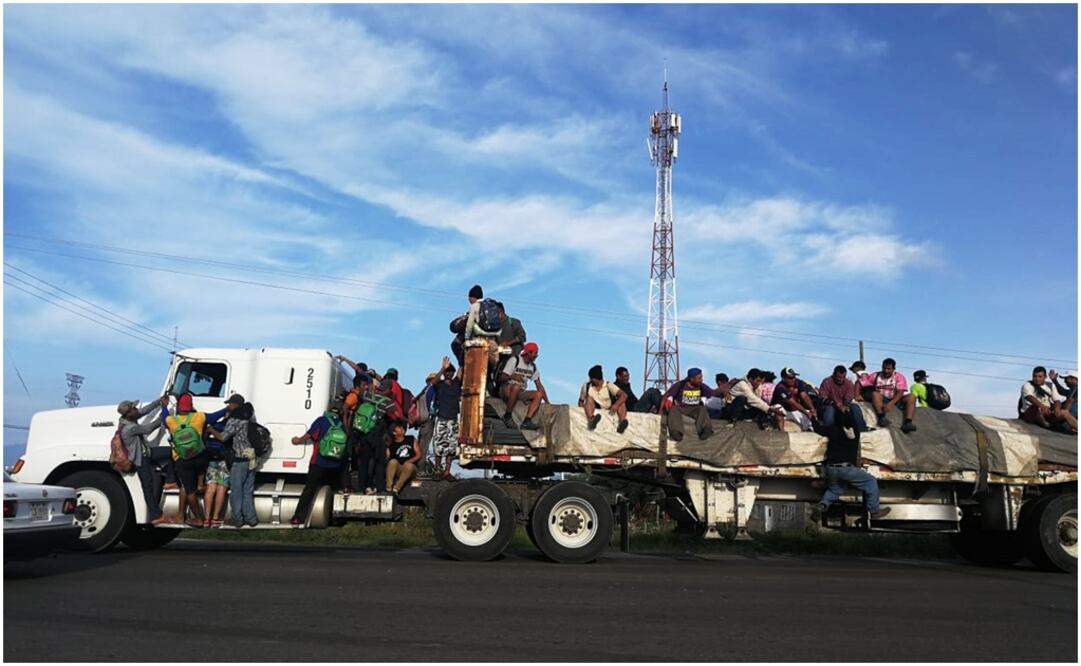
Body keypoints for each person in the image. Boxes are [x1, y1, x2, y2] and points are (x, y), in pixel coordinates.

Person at [290, 396, 349, 526]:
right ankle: (335, 516)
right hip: (336, 465)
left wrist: (297, 440)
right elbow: (347, 437)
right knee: (333, 490)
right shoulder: (341, 424)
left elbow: (310, 435)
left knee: (309, 490)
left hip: (319, 462)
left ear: (328, 409)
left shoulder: (321, 421)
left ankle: (298, 517)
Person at [814, 423, 891, 521]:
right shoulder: (855, 434)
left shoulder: (833, 429)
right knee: (870, 481)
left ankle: (821, 506)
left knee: (834, 490)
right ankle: (874, 511)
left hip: (830, 468)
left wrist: (812, 418)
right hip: (845, 468)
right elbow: (856, 455)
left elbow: (818, 428)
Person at [118, 396, 172, 526]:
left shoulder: (128, 419)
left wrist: (159, 401)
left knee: (172, 453)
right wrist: (164, 415)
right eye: (134, 408)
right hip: (140, 459)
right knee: (147, 486)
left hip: (146, 453)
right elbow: (149, 428)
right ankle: (156, 515)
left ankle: (170, 481)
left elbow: (144, 411)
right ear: (129, 413)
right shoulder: (129, 428)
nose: (137, 409)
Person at [164, 393, 211, 527]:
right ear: (191, 405)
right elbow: (215, 416)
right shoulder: (200, 417)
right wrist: (228, 409)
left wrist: (164, 407)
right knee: (203, 459)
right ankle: (201, 483)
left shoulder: (171, 420)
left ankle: (197, 518)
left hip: (183, 460)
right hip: (199, 458)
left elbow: (163, 417)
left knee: (189, 490)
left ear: (179, 406)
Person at [210, 401, 259, 528]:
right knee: (248, 491)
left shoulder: (235, 422)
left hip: (239, 460)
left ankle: (237, 519)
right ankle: (251, 519)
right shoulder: (250, 422)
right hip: (252, 459)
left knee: (236, 491)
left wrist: (210, 429)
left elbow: (222, 437)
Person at [355, 379, 404, 494]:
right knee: (379, 461)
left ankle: (364, 487)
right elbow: (397, 416)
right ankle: (378, 486)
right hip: (376, 435)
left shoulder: (367, 395)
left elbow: (358, 393)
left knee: (364, 462)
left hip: (363, 433)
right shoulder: (387, 401)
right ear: (387, 390)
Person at [202, 393, 244, 527]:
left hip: (212, 458)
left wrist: (210, 429)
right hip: (225, 459)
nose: (228, 405)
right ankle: (215, 519)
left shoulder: (220, 423)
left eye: (230, 403)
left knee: (210, 488)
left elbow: (217, 434)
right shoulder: (239, 421)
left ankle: (206, 519)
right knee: (222, 488)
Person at [498, 342, 548, 431]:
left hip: (520, 391)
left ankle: (527, 421)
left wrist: (547, 402)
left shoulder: (533, 367)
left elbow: (539, 385)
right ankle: (507, 415)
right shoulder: (515, 360)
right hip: (507, 388)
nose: (536, 356)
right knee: (516, 387)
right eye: (535, 353)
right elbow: (501, 377)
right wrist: (512, 376)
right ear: (529, 352)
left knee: (538, 394)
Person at [859, 358, 917, 433]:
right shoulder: (876, 375)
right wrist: (857, 395)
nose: (886, 371)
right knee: (875, 394)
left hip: (896, 399)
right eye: (884, 368)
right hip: (882, 399)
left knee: (912, 396)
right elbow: (859, 383)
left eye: (889, 369)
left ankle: (908, 422)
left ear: (893, 369)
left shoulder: (899, 377)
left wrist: (891, 403)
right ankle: (881, 417)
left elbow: (900, 392)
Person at [663, 368, 716, 441]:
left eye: (701, 377)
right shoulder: (680, 385)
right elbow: (667, 394)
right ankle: (676, 432)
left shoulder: (701, 386)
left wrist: (724, 392)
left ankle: (705, 430)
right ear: (691, 379)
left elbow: (713, 393)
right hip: (681, 408)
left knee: (702, 409)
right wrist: (662, 408)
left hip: (694, 408)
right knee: (674, 409)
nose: (702, 379)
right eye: (699, 378)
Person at [1019, 366, 1077, 433]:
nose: (1037, 379)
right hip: (1034, 411)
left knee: (1065, 411)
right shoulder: (1027, 385)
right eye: (1035, 376)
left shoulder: (1050, 385)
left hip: (1048, 412)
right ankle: (1047, 425)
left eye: (1040, 377)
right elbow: (1030, 398)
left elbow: (1057, 401)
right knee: (1036, 408)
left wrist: (1057, 409)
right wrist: (1043, 407)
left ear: (1045, 377)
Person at [431, 357, 462, 480]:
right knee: (439, 446)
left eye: (450, 371)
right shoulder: (440, 384)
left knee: (451, 447)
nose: (448, 373)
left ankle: (447, 472)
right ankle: (438, 470)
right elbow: (433, 382)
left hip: (453, 419)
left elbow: (461, 368)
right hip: (441, 418)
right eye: (447, 372)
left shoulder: (456, 383)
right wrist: (442, 368)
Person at [817, 365, 868, 435]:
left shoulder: (848, 383)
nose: (841, 379)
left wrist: (845, 405)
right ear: (834, 375)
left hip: (843, 407)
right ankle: (828, 430)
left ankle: (861, 429)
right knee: (829, 409)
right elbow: (822, 398)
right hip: (830, 406)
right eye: (838, 377)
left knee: (855, 407)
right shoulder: (827, 382)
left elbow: (849, 398)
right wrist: (836, 404)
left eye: (843, 377)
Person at [578, 365, 629, 434]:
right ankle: (591, 420)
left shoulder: (608, 385)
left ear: (596, 379)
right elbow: (581, 401)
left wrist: (616, 405)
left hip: (609, 408)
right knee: (589, 399)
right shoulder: (587, 386)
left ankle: (621, 423)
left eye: (591, 378)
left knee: (622, 403)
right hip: (595, 408)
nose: (590, 380)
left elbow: (624, 395)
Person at [771, 368, 817, 432]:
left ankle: (809, 431)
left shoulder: (798, 382)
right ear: (783, 378)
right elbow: (793, 403)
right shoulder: (780, 388)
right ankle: (782, 433)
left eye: (794, 377)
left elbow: (804, 396)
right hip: (784, 410)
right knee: (778, 408)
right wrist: (806, 413)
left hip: (794, 410)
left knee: (810, 417)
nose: (793, 379)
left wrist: (812, 409)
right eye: (790, 378)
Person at [385, 422, 422, 495]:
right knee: (393, 462)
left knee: (408, 466)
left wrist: (408, 462)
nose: (402, 429)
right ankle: (388, 488)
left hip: (411, 469)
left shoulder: (411, 438)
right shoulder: (391, 446)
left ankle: (396, 489)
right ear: (394, 433)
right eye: (399, 428)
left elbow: (419, 455)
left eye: (401, 427)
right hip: (400, 469)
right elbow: (388, 460)